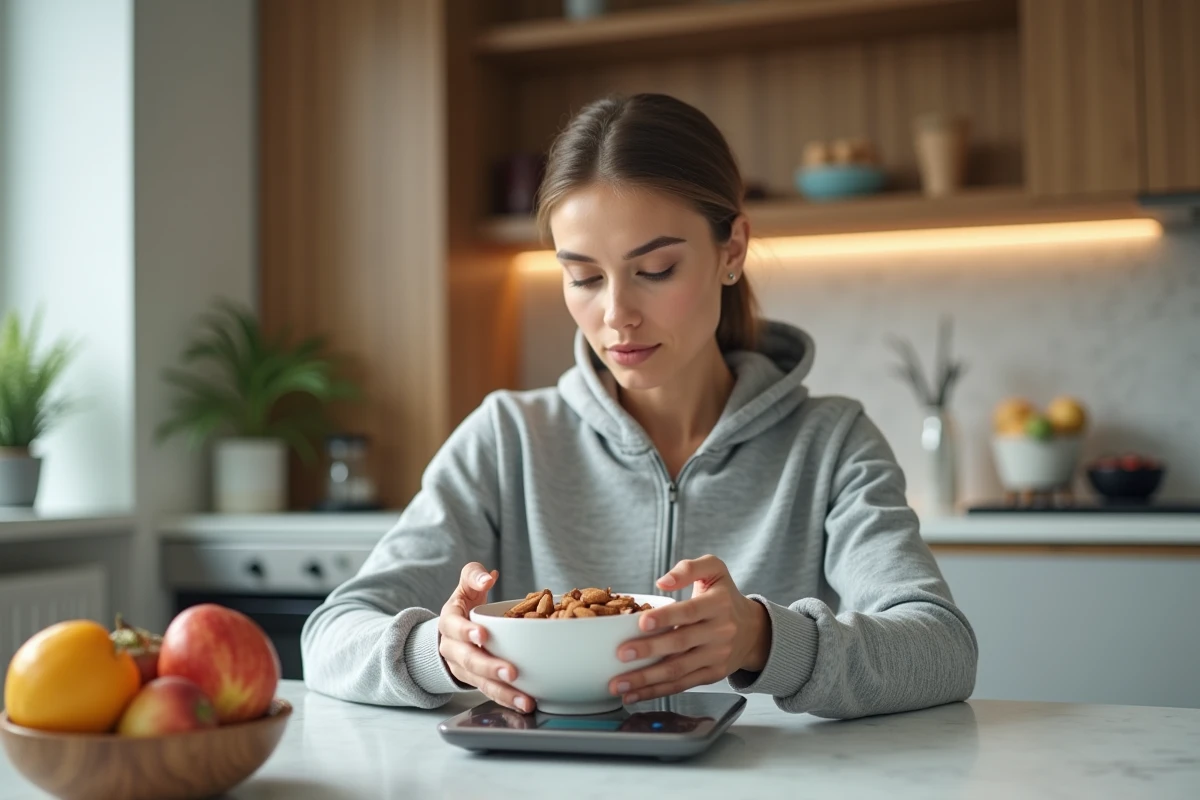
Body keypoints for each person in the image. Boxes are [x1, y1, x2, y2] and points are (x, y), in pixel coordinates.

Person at [301, 93, 978, 720]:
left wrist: (765, 640)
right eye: (584, 277)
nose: (617, 315)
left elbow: (943, 651)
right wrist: (441, 653)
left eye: (655, 271)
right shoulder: (508, 437)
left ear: (731, 250)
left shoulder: (831, 444)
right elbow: (330, 637)